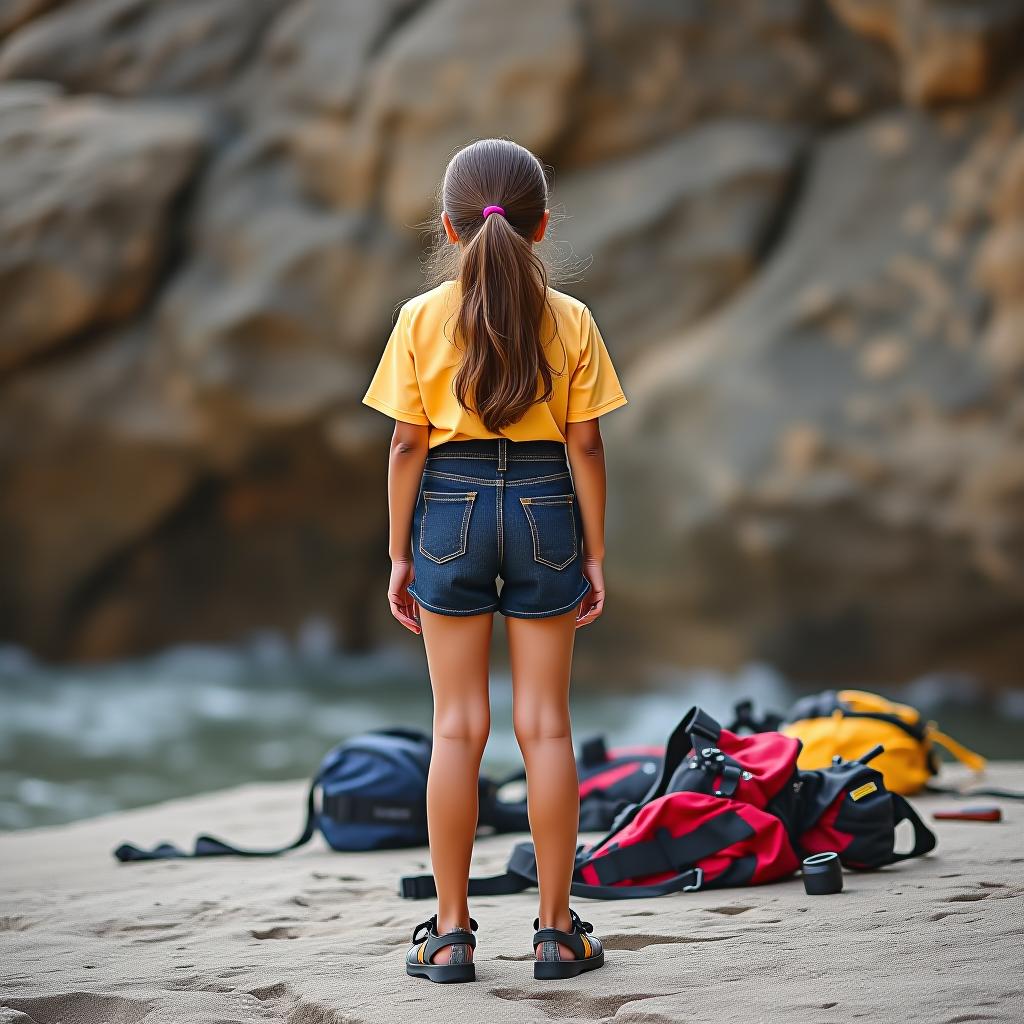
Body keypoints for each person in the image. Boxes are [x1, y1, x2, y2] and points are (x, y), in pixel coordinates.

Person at [361, 138, 628, 984]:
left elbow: (407, 445)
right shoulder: (573, 320)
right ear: (541, 227)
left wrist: (401, 553)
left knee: (456, 726)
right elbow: (585, 447)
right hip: (549, 503)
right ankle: (555, 932)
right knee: (545, 725)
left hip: (450, 507)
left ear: (449, 226)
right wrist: (594, 551)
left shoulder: (419, 318)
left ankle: (448, 935)